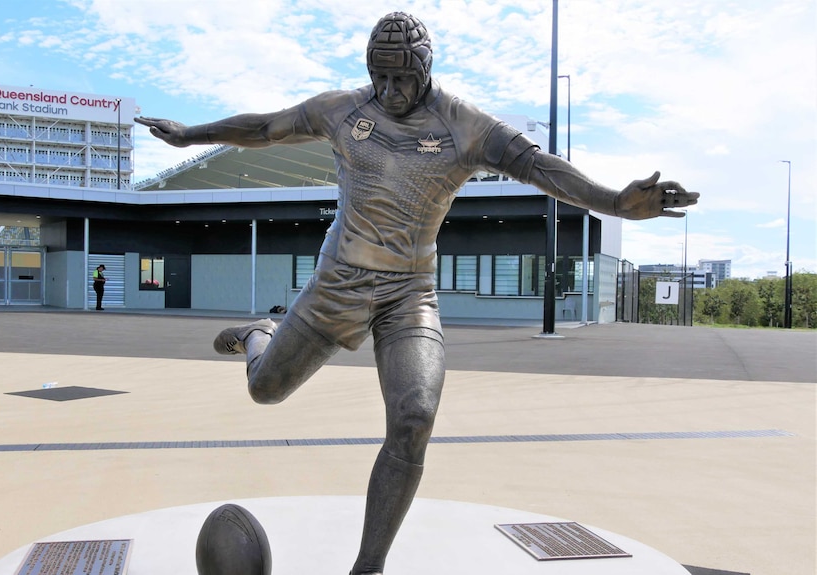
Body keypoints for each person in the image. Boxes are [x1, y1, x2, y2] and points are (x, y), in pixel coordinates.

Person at [136, 11, 698, 574]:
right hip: (338, 283)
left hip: (409, 293)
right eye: (379, 78)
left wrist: (617, 202)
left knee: (414, 416)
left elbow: (540, 168)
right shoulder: (342, 109)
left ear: (425, 69)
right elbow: (265, 128)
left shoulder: (465, 125)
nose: (389, 91)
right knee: (265, 390)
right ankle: (261, 335)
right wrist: (190, 134)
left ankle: (369, 565)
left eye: (401, 78)